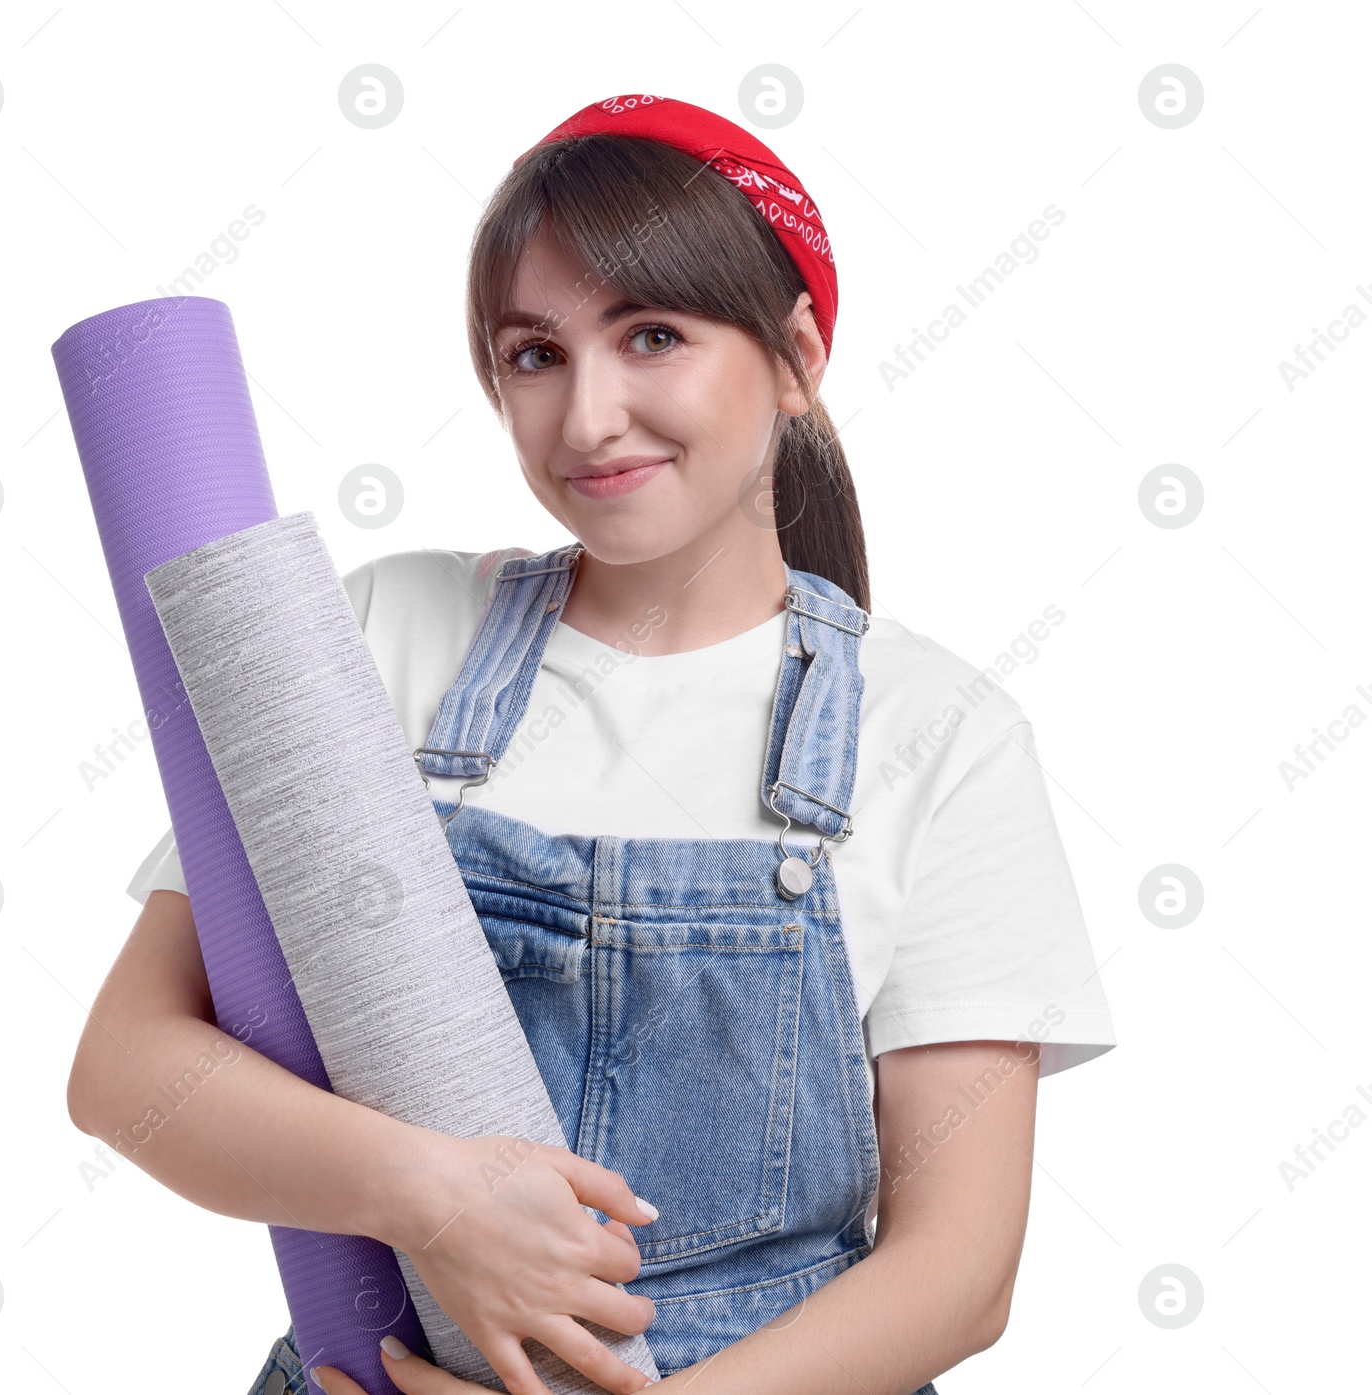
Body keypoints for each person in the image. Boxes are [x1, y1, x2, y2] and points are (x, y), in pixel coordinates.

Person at [68, 94, 1116, 1395]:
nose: (589, 417)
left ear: (795, 357)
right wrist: (434, 1194)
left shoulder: (938, 735)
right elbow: (128, 1069)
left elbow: (957, 1274)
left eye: (654, 335)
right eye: (534, 355)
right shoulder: (390, 634)